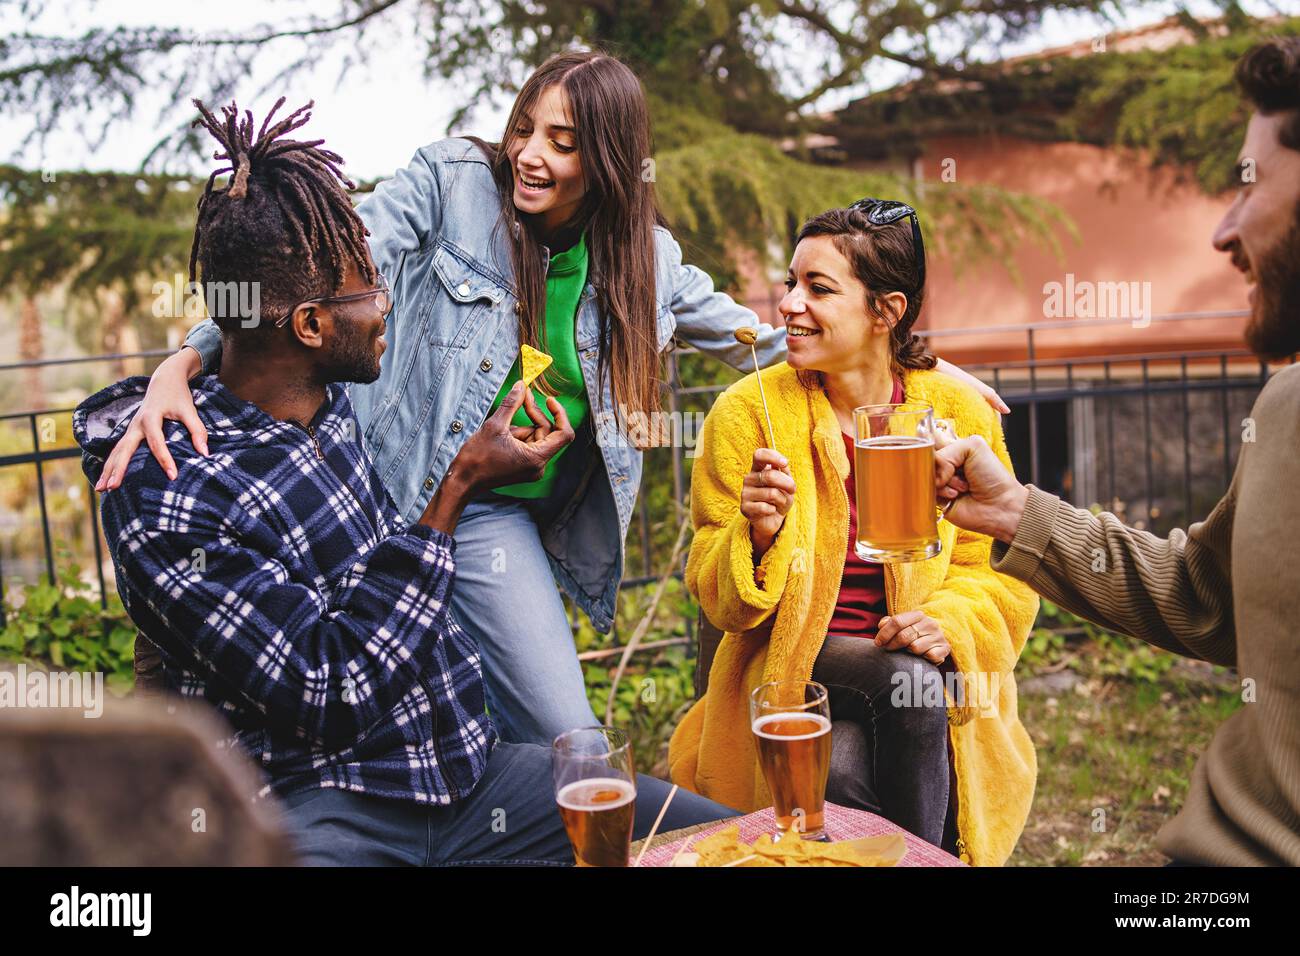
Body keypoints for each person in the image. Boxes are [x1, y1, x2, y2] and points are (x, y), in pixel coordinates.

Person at [95, 50, 1008, 747]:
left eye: (563, 142)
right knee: (364, 720)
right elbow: (320, 268)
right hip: (384, 487)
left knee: (570, 742)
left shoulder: (643, 261)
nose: (530, 155)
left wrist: (916, 366)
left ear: (608, 157)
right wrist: (187, 357)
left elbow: (758, 338)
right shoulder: (452, 183)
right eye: (526, 127)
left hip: (493, 520)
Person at [75, 98, 735, 866]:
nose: (393, 298)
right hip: (318, 809)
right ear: (314, 328)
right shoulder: (167, 492)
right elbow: (332, 687)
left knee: (722, 839)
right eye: (373, 287)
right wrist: (455, 491)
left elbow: (262, 313)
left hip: (464, 778)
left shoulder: (325, 398)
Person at [932, 37, 1300, 866]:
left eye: (1251, 185)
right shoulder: (1285, 404)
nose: (1223, 231)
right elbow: (1207, 595)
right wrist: (1018, 512)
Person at [668, 202, 1040, 866]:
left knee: (844, 772)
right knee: (910, 684)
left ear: (886, 310)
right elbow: (712, 589)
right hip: (792, 660)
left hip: (915, 667)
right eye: (790, 283)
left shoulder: (953, 413)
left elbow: (1001, 573)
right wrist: (752, 539)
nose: (787, 304)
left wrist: (948, 623)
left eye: (818, 288)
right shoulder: (748, 413)